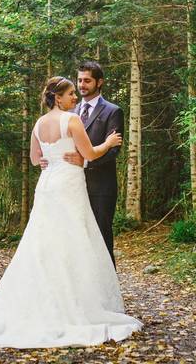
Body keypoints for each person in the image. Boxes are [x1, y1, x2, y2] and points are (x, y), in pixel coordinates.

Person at [0, 76, 142, 348]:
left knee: (43, 243)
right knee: (71, 242)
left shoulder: (38, 124)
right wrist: (107, 143)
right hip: (68, 186)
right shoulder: (71, 120)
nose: (74, 97)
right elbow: (91, 154)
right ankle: (70, 303)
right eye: (71, 93)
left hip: (47, 185)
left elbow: (37, 159)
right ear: (58, 97)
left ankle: (42, 299)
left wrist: (52, 160)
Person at [40, 61, 123, 266]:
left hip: (100, 187)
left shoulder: (113, 111)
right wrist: (49, 158)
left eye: (87, 80)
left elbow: (114, 149)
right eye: (79, 80)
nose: (82, 85)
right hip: (70, 186)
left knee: (102, 238)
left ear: (99, 82)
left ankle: (107, 291)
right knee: (74, 240)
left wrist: (85, 162)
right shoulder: (69, 111)